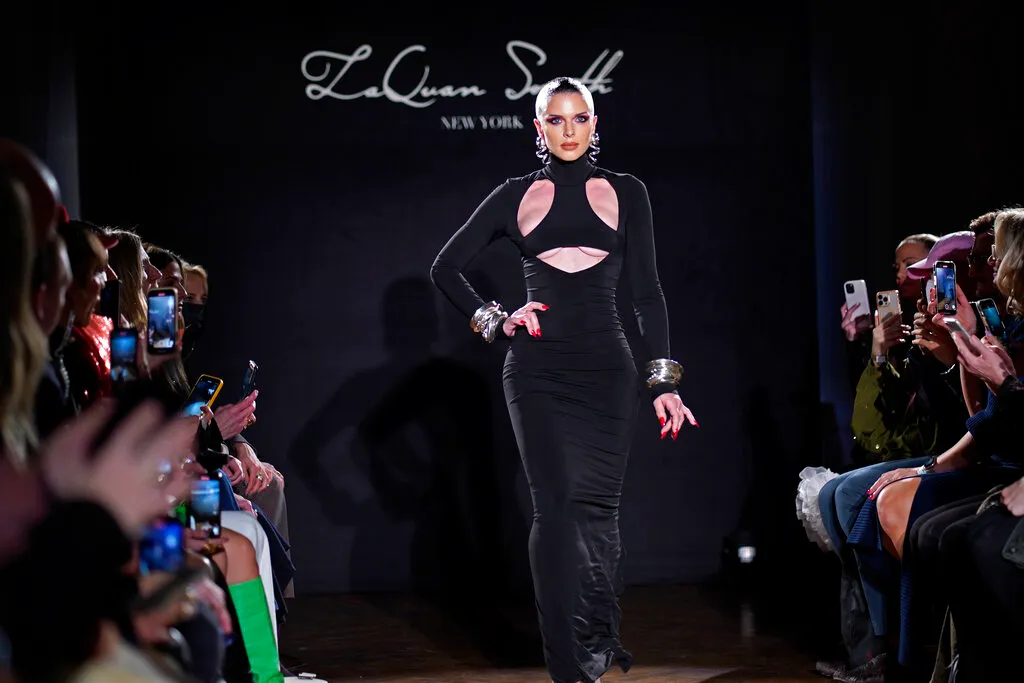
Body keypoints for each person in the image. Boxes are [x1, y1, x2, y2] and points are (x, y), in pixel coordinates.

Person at [430, 76, 696, 683]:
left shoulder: (628, 192)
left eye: (579, 118)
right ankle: (567, 670)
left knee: (599, 512)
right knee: (555, 510)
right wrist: (495, 319)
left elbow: (647, 294)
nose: (569, 130)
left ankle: (596, 644)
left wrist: (663, 383)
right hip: (538, 369)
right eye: (556, 119)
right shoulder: (514, 195)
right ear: (539, 127)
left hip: (609, 371)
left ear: (595, 125)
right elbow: (445, 267)